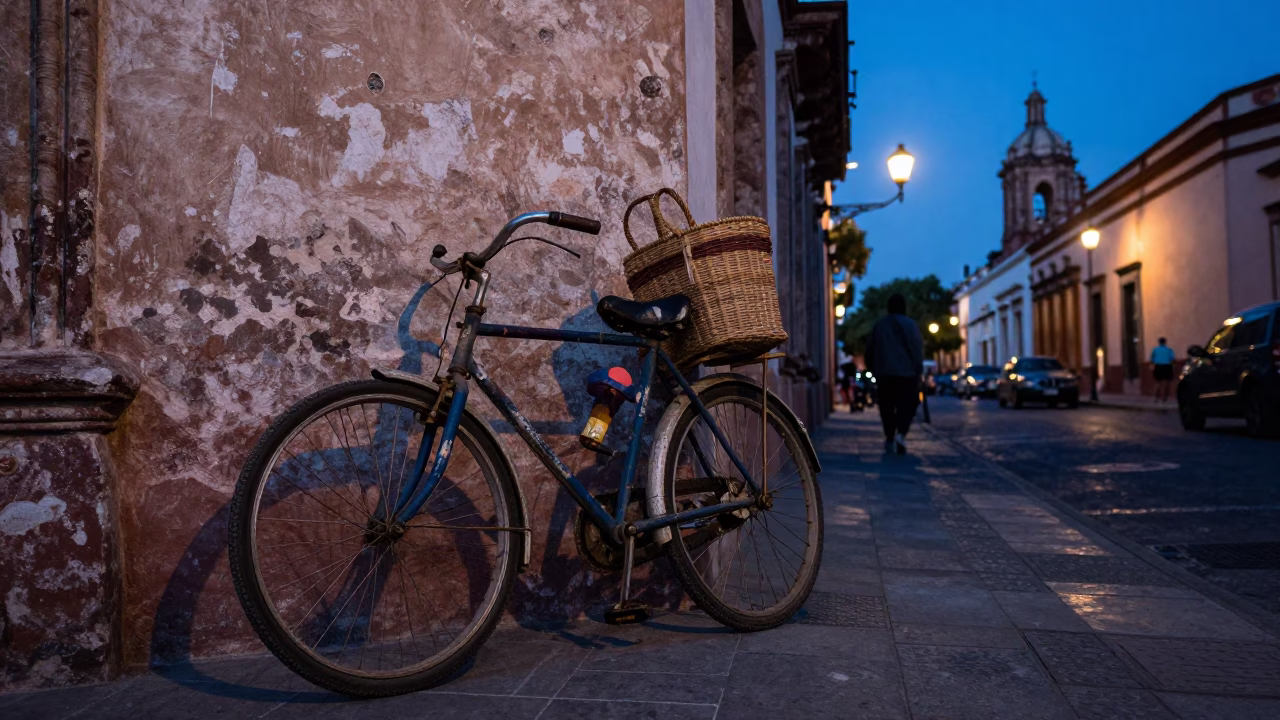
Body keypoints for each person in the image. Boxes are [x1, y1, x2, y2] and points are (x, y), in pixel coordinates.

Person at [864, 293, 924, 454]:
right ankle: (901, 433)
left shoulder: (880, 326)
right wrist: (918, 370)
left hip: (885, 374)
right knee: (907, 405)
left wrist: (872, 369)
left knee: (887, 406)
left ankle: (890, 436)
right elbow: (916, 349)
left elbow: (869, 350)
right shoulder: (910, 325)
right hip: (907, 374)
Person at [1151, 337, 1175, 403]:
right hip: (1167, 366)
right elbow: (1172, 359)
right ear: (1165, 342)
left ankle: (1155, 398)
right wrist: (1173, 366)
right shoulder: (1169, 350)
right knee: (1168, 382)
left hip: (1158, 366)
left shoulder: (1155, 350)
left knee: (1157, 382)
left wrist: (1153, 367)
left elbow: (1152, 360)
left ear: (1159, 342)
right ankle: (1164, 397)